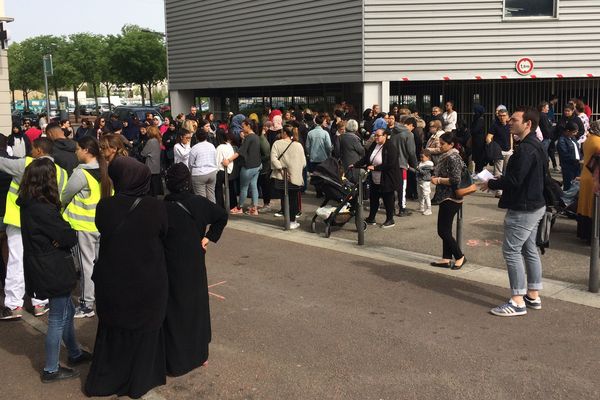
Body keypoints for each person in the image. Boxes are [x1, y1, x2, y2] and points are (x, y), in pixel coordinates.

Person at [85, 156, 168, 398]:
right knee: (145, 328)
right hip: (148, 278)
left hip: (114, 278)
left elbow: (103, 229)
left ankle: (109, 379)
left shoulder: (105, 206)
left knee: (114, 327)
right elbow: (163, 232)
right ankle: (140, 380)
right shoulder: (156, 206)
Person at [18, 157, 91, 382]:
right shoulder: (42, 209)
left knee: (66, 310)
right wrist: (61, 238)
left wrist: (59, 238)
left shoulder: (29, 203)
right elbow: (67, 236)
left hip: (43, 263)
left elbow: (60, 236)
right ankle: (51, 368)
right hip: (51, 267)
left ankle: (75, 352)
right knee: (58, 316)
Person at [162, 163, 228, 376]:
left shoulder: (162, 207)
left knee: (174, 308)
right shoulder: (199, 202)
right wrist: (208, 238)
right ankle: (200, 353)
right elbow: (221, 215)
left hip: (170, 262)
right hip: (195, 260)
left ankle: (175, 357)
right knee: (197, 306)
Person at [482, 106, 546, 317]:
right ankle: (533, 295)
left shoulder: (526, 149)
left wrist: (491, 182)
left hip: (524, 207)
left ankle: (517, 301)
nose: (509, 121)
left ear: (527, 123)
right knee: (529, 249)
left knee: (511, 251)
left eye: (514, 119)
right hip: (535, 203)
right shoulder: (535, 145)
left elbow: (515, 180)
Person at [0, 138, 68, 320]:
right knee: (41, 261)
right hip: (46, 224)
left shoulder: (25, 164)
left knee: (16, 262)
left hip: (19, 222)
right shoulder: (61, 172)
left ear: (38, 150)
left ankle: (14, 306)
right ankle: (40, 302)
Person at [61, 136, 113, 319]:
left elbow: (65, 195)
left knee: (86, 266)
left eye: (77, 149)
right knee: (100, 264)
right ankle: (102, 297)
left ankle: (86, 304)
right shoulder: (106, 168)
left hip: (83, 226)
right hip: (102, 224)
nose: (75, 152)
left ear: (86, 151)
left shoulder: (81, 173)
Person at [430, 133, 466, 270]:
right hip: (445, 197)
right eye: (439, 142)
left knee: (443, 231)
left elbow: (456, 179)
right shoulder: (447, 156)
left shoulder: (453, 157)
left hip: (451, 197)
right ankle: (446, 258)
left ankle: (459, 256)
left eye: (443, 143)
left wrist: (438, 180)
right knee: (446, 229)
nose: (440, 145)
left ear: (451, 145)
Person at [353, 129, 400, 228]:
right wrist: (355, 165)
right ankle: (371, 218)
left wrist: (375, 168)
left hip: (387, 178)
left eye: (378, 136)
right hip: (374, 177)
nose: (376, 138)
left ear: (385, 136)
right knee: (374, 198)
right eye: (375, 136)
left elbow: (391, 164)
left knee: (388, 199)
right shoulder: (375, 144)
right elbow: (367, 158)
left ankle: (390, 219)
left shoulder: (391, 147)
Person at [270, 125, 307, 229]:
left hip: (281, 177)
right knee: (294, 199)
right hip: (295, 177)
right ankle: (292, 221)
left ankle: (286, 219)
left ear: (284, 133)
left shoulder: (277, 144)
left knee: (283, 198)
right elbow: (304, 163)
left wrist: (281, 169)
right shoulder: (298, 145)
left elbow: (273, 159)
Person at [223, 119, 262, 215]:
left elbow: (240, 152)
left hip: (248, 167)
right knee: (254, 186)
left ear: (248, 126)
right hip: (257, 165)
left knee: (244, 188)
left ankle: (239, 207)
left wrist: (228, 160)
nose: (242, 128)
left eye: (243, 126)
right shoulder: (256, 137)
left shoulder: (249, 138)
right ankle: (254, 208)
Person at [390, 116, 417, 217]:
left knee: (392, 186)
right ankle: (402, 208)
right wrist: (415, 165)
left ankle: (391, 209)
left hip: (391, 163)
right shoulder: (409, 134)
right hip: (402, 163)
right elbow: (411, 152)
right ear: (410, 125)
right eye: (412, 127)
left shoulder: (393, 131)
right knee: (402, 187)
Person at [578, 120, 600, 242]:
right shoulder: (598, 142)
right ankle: (592, 237)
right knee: (593, 208)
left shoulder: (590, 139)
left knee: (585, 206)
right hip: (594, 178)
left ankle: (584, 234)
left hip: (586, 176)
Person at [486, 108, 512, 197]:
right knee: (498, 172)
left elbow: (511, 136)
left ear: (508, 116)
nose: (502, 117)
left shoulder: (509, 125)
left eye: (504, 115)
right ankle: (498, 192)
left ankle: (506, 189)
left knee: (508, 171)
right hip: (499, 152)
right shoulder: (495, 125)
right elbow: (488, 138)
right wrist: (493, 148)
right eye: (500, 116)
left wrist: (512, 148)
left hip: (508, 151)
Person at [188, 124, 218, 203]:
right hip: (212, 172)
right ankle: (214, 213)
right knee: (211, 195)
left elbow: (190, 163)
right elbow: (215, 159)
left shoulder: (194, 148)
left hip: (199, 173)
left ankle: (204, 214)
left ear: (196, 137)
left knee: (201, 198)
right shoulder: (211, 146)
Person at [557, 121, 582, 191]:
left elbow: (577, 149)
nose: (575, 134)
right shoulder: (562, 140)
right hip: (568, 167)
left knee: (576, 185)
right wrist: (576, 159)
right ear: (568, 131)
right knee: (568, 185)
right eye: (574, 132)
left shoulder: (572, 137)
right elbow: (564, 155)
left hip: (576, 165)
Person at [215, 129, 235, 209]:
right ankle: (232, 205)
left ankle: (220, 206)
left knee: (218, 189)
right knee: (230, 188)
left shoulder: (219, 147)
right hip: (229, 170)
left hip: (221, 170)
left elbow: (217, 160)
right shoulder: (229, 145)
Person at [141, 126, 164, 197]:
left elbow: (143, 153)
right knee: (155, 186)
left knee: (150, 188)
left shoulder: (150, 141)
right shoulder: (158, 140)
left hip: (150, 166)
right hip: (156, 165)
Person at [416, 150, 434, 216]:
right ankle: (421, 207)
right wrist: (409, 168)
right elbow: (416, 171)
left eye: (422, 157)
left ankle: (429, 209)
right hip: (419, 181)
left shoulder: (429, 164)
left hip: (425, 181)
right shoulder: (421, 163)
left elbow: (424, 173)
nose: (421, 158)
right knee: (420, 195)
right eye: (420, 157)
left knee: (426, 195)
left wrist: (418, 169)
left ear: (428, 157)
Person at [470, 105, 487, 173]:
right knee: (476, 157)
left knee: (479, 156)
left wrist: (471, 130)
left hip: (479, 141)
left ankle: (479, 171)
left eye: (475, 112)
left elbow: (474, 130)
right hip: (476, 140)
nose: (474, 113)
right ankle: (477, 171)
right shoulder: (477, 119)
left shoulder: (480, 120)